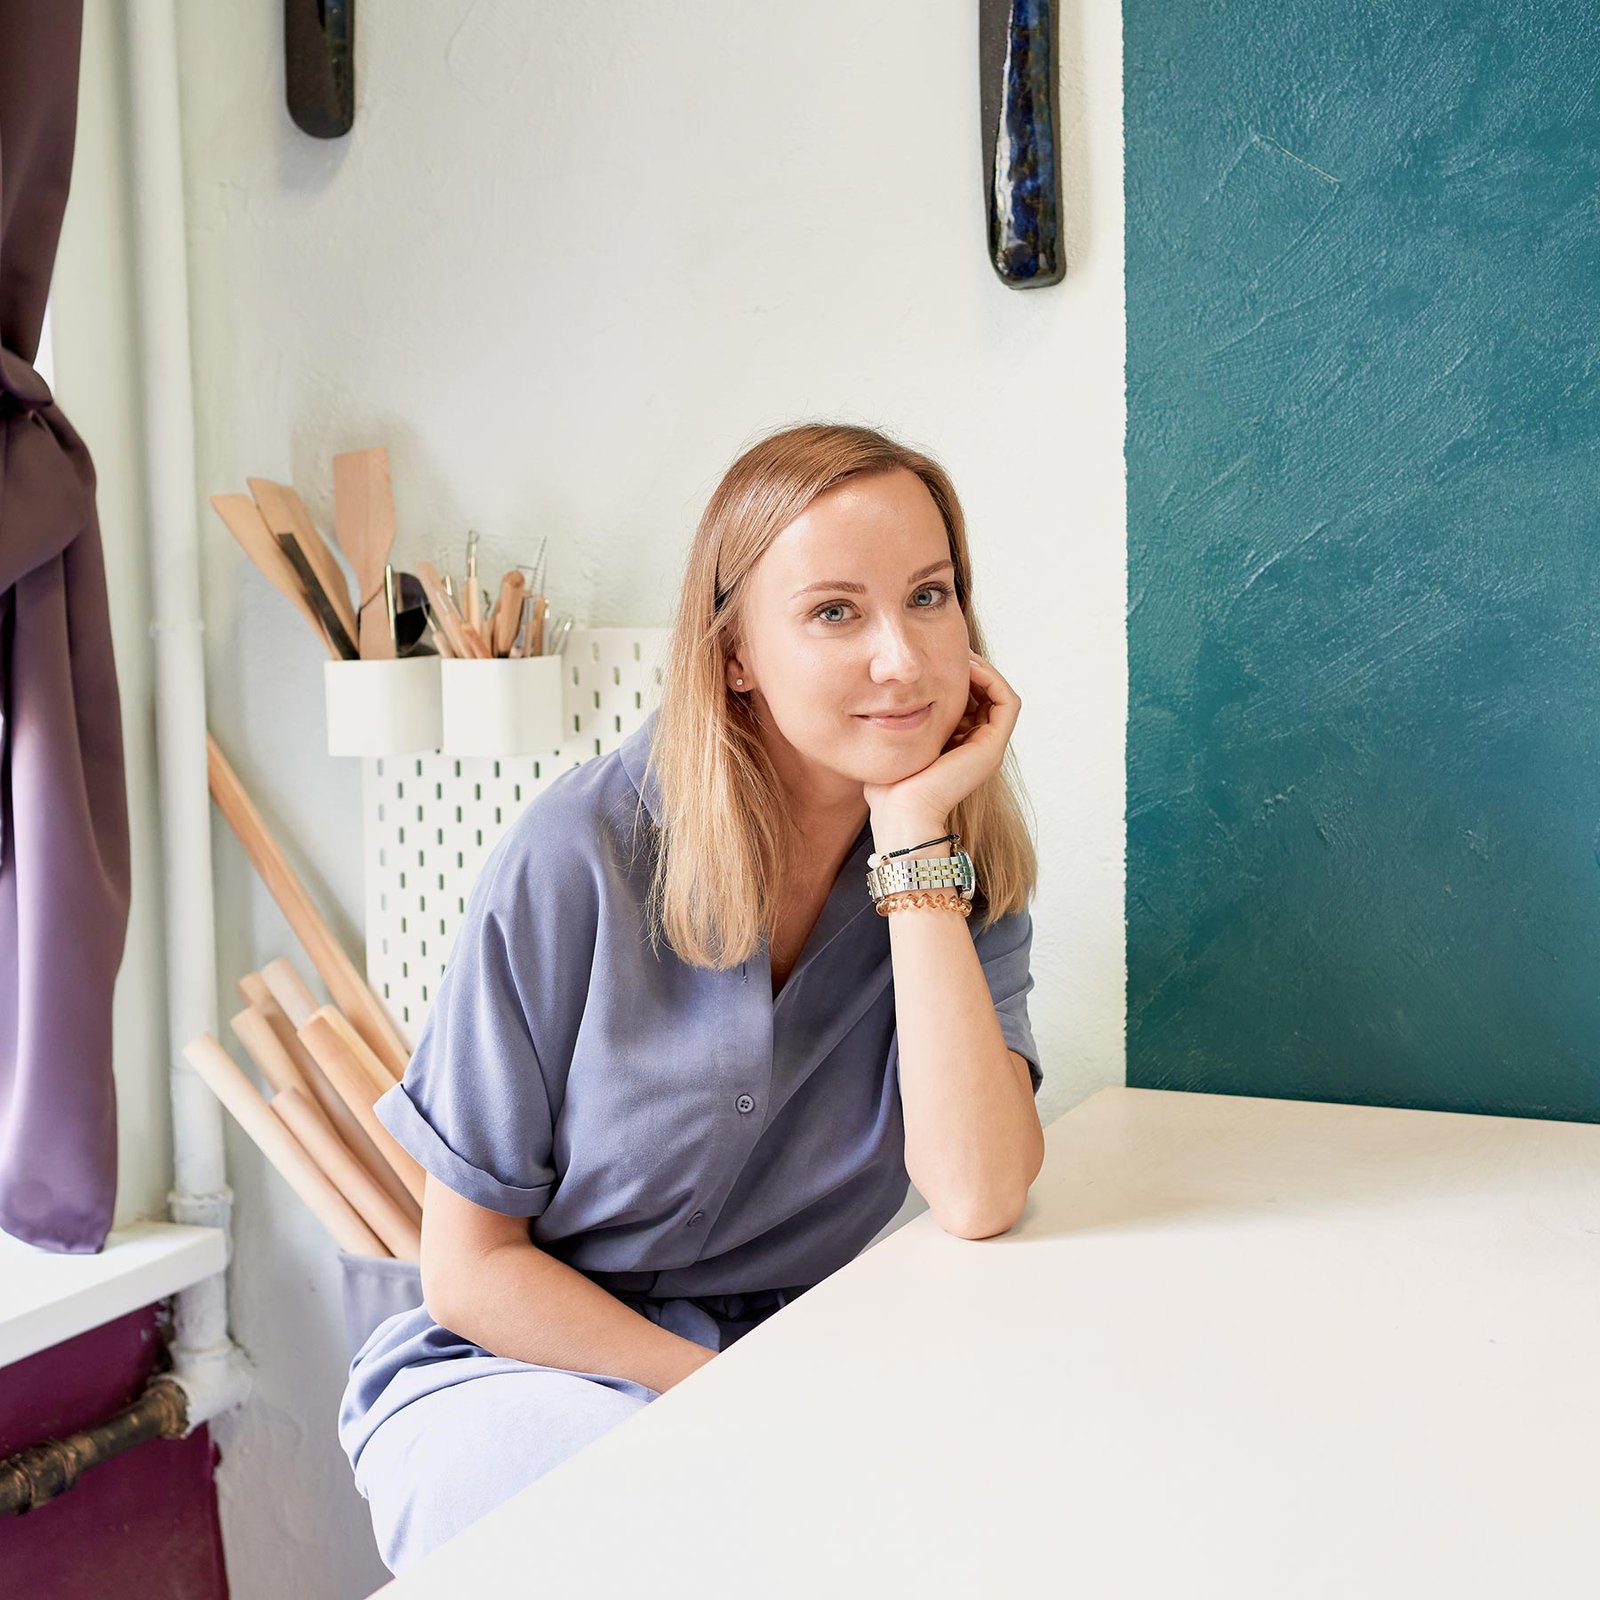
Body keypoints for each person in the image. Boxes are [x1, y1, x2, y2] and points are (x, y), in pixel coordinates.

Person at [337, 421, 1045, 1574]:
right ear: (733, 654)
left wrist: (911, 840)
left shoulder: (956, 862)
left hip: (806, 1363)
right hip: (522, 1374)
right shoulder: (579, 855)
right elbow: (467, 1271)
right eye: (834, 612)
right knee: (660, 1519)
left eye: (930, 596)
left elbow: (976, 1190)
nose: (904, 660)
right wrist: (725, 1397)